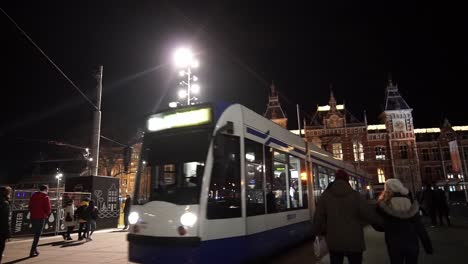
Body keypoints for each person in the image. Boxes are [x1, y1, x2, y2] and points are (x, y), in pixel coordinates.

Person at [312, 169, 382, 264]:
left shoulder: (325, 197)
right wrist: (380, 224)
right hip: (355, 241)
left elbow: (318, 218)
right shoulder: (356, 196)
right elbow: (370, 215)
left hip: (334, 241)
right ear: (347, 180)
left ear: (335, 179)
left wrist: (318, 232)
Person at [376, 179, 433, 264]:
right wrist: (428, 247)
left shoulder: (384, 205)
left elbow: (378, 225)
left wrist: (387, 227)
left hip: (394, 244)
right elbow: (420, 227)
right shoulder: (411, 203)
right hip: (412, 242)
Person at [28, 185, 51, 257]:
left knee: (35, 233)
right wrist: (46, 214)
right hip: (41, 217)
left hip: (33, 216)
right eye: (47, 189)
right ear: (45, 189)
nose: (48, 190)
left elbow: (30, 206)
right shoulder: (45, 197)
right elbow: (48, 209)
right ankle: (32, 251)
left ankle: (35, 249)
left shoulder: (33, 195)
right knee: (37, 235)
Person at [0, 186, 12, 263]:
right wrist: (8, 232)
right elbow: (4, 219)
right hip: (1, 229)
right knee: (1, 246)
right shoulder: (5, 203)